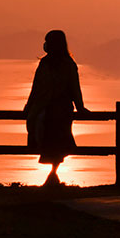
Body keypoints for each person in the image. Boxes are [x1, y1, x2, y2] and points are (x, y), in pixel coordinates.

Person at [24, 29, 87, 186]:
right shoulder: (47, 64)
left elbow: (74, 88)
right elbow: (36, 87)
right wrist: (29, 105)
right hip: (46, 107)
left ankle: (53, 174)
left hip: (60, 109)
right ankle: (53, 175)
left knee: (56, 139)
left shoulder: (67, 65)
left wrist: (80, 106)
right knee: (42, 132)